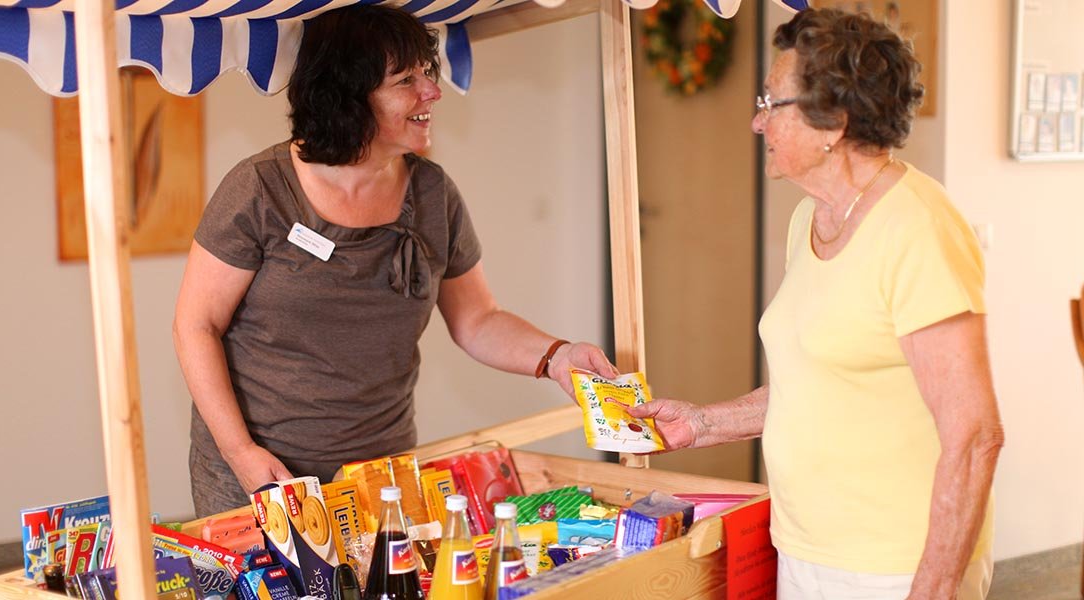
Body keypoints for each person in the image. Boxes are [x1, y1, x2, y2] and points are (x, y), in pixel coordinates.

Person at [173, 5, 617, 518]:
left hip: (379, 476)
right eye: (406, 79)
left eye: (428, 72)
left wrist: (557, 356)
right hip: (260, 476)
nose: (432, 91)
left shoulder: (434, 195)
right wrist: (240, 453)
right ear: (348, 97)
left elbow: (478, 321)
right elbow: (195, 325)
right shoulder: (260, 190)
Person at [628, 9, 1003, 599]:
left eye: (771, 103)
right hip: (806, 549)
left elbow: (975, 434)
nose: (756, 122)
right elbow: (818, 386)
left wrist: (933, 587)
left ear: (834, 122)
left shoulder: (918, 228)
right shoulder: (810, 218)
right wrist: (702, 424)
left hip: (895, 565)